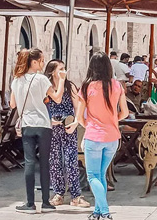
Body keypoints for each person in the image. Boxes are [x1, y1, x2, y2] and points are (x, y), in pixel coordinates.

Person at [10, 49, 66, 214]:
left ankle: (29, 203)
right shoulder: (41, 79)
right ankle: (46, 203)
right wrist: (61, 80)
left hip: (27, 124)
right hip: (43, 124)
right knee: (44, 163)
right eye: (41, 61)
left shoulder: (16, 81)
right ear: (33, 62)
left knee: (29, 163)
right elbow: (57, 97)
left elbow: (13, 104)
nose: (43, 63)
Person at [75, 52, 129, 220]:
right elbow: (125, 112)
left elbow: (79, 117)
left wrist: (90, 125)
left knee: (92, 176)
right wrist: (112, 120)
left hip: (94, 136)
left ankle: (104, 211)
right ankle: (98, 211)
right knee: (101, 175)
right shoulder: (117, 86)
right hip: (112, 137)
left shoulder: (86, 86)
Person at [44, 60, 88, 208]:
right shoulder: (46, 87)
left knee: (71, 160)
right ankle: (58, 193)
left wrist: (76, 122)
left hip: (68, 126)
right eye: (60, 69)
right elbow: (42, 106)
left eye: (64, 68)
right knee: (54, 161)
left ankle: (76, 195)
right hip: (52, 128)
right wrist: (49, 120)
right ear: (52, 71)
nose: (64, 71)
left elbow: (78, 105)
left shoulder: (70, 86)